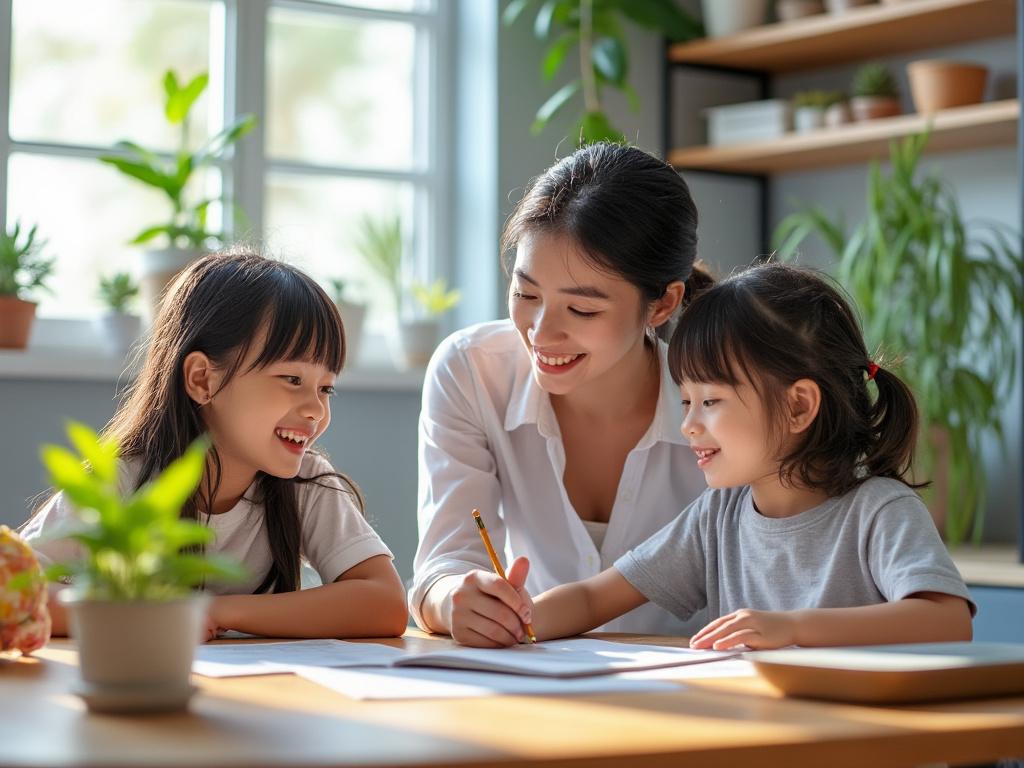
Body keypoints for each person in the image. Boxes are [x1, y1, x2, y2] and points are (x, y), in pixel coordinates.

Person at [465, 262, 974, 648]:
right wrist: (519, 616)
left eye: (709, 402)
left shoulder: (879, 510)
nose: (688, 424)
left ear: (798, 406)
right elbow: (595, 597)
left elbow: (946, 620)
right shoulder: (719, 516)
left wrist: (792, 629)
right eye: (685, 401)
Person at [411, 143, 712, 646]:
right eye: (526, 294)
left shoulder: (723, 403)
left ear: (662, 304)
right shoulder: (471, 370)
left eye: (582, 310)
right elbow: (443, 564)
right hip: (536, 674)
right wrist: (453, 599)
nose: (541, 333)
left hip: (701, 677)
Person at [21, 251, 408, 641]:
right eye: (292, 379)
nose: (316, 410)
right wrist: (152, 618)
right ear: (202, 379)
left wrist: (216, 611)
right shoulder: (121, 480)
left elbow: (385, 603)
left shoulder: (307, 483)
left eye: (326, 388)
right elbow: (16, 590)